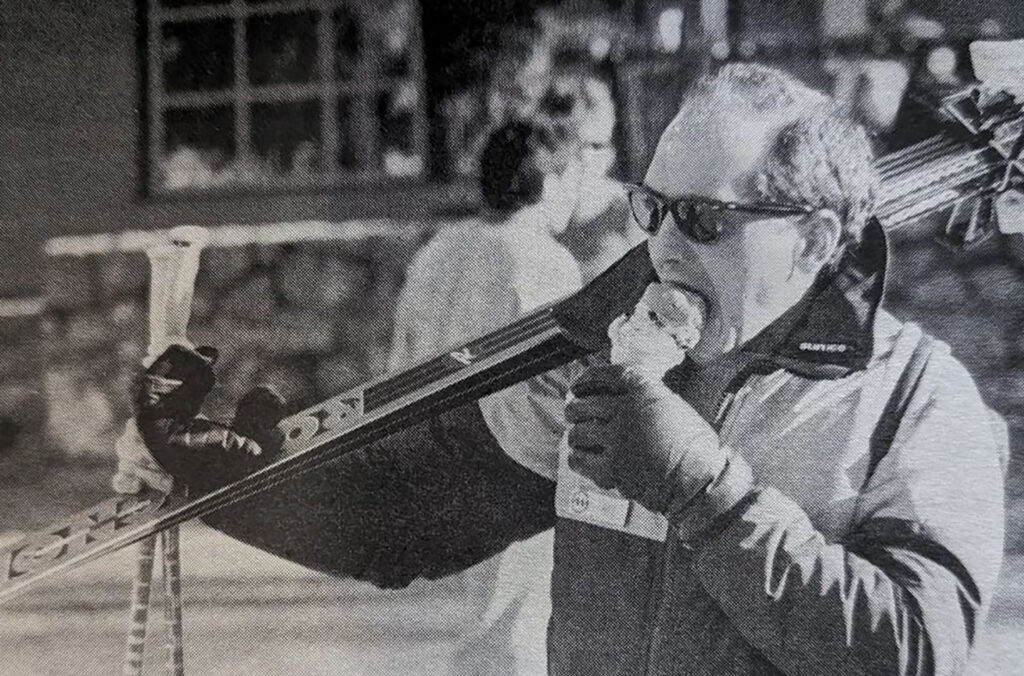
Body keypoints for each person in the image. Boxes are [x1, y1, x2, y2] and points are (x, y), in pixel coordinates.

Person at [126, 63, 1008, 676]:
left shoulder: (924, 404)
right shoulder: (614, 364)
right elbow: (412, 523)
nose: (659, 248)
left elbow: (915, 652)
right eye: (650, 208)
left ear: (814, 238)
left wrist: (708, 495)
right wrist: (230, 481)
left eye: (701, 219)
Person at [387, 103, 594, 673]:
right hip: (510, 475)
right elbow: (563, 389)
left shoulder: (437, 252)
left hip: (431, 470)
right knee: (513, 644)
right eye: (572, 178)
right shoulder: (546, 261)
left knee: (467, 641)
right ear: (549, 181)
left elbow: (398, 364)